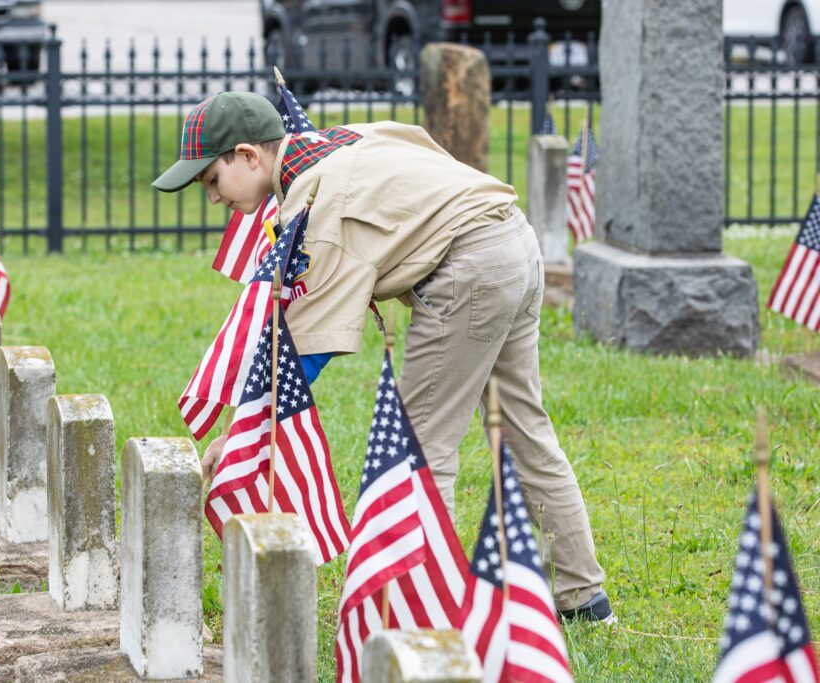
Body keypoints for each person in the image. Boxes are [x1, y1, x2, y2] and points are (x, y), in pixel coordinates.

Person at [152, 91, 615, 624]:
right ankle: (583, 597)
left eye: (212, 179)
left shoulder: (318, 202)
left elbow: (305, 354)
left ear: (248, 155)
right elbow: (421, 147)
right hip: (514, 240)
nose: (213, 198)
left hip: (468, 270)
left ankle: (420, 617)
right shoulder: (339, 140)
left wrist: (242, 432)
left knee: (416, 449)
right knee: (522, 428)